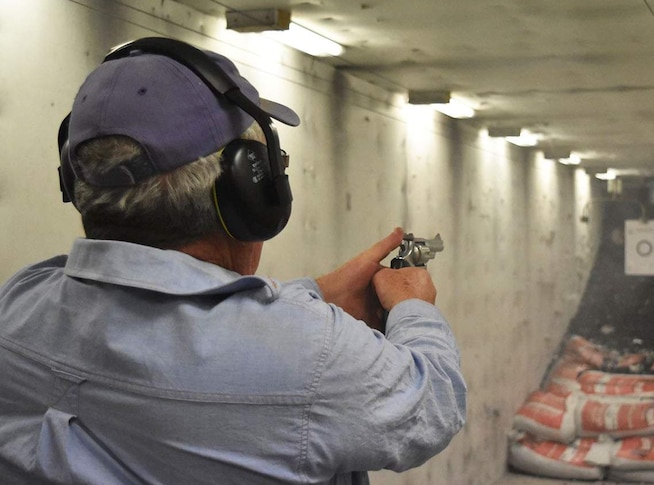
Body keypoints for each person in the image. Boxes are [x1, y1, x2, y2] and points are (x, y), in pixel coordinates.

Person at [0, 37, 466, 484]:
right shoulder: (314, 357)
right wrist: (413, 307)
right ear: (251, 190)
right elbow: (432, 405)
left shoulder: (20, 303)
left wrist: (316, 296)